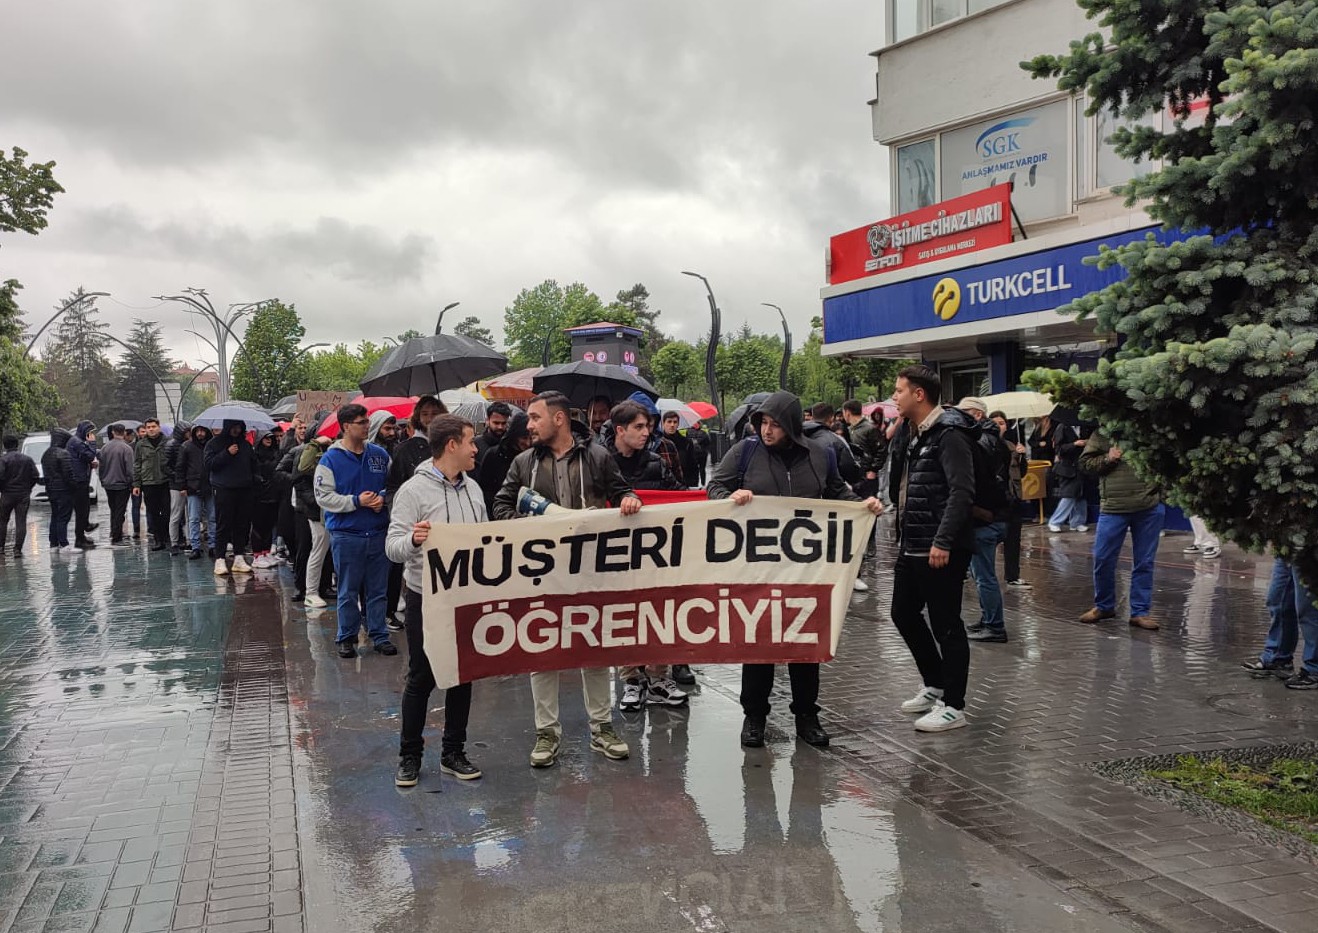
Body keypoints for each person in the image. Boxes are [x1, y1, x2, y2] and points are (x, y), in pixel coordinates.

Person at [707, 390, 883, 749]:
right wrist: (730, 498)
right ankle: (754, 716)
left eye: (774, 424)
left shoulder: (820, 453)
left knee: (805, 642)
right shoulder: (744, 453)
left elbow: (835, 491)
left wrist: (862, 505)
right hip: (757, 568)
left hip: (806, 568)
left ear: (790, 426)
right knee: (759, 643)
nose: (767, 431)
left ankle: (807, 715)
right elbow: (715, 486)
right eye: (763, 423)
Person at [493, 391, 637, 768]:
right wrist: (535, 526)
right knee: (542, 649)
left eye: (535, 417)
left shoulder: (599, 457)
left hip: (591, 569)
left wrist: (628, 502)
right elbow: (501, 506)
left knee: (594, 646)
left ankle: (602, 727)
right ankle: (546, 732)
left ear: (558, 419)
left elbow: (624, 494)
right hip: (542, 573)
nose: (529, 425)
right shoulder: (523, 462)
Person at [387, 414, 487, 787]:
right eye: (470, 441)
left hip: (467, 597)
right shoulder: (412, 492)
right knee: (423, 676)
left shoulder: (474, 490)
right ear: (452, 446)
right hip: (425, 599)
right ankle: (410, 756)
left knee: (463, 674)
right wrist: (413, 540)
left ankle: (453, 752)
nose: (476, 448)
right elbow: (392, 548)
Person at [887, 366, 977, 733]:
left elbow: (962, 491)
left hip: (939, 548)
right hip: (913, 543)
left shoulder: (949, 435)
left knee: (947, 625)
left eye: (899, 391)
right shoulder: (913, 435)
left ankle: (954, 705)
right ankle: (936, 683)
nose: (895, 396)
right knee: (902, 613)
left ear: (919, 394)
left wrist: (943, 540)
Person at [607, 400, 690, 711]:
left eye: (647, 426)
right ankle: (631, 679)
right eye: (639, 427)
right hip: (617, 556)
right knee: (624, 615)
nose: (647, 432)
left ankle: (657, 678)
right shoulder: (601, 463)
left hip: (655, 556)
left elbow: (678, 495)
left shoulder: (656, 461)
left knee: (659, 612)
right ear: (620, 430)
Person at [315, 402, 397, 658]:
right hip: (346, 534)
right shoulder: (330, 458)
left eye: (367, 421)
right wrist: (355, 501)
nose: (367, 426)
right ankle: (346, 636)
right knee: (348, 589)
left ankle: (379, 634)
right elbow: (323, 496)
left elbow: (394, 485)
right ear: (346, 426)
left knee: (378, 589)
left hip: (377, 532)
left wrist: (382, 498)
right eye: (361, 422)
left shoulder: (380, 455)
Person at [1079, 430, 1163, 631]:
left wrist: (1161, 492)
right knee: (1102, 558)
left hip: (1149, 506)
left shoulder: (1152, 430)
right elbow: (1085, 465)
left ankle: (1139, 612)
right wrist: (1109, 457)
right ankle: (1104, 606)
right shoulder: (1102, 433)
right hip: (1114, 508)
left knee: (1144, 561)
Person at [957, 398, 1012, 644]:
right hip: (990, 517)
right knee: (981, 574)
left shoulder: (981, 442)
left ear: (977, 415)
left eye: (965, 413)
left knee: (984, 575)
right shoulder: (992, 440)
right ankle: (988, 618)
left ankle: (994, 625)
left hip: (986, 519)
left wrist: (978, 510)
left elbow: (981, 482)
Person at [386, 396, 446, 623]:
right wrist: (401, 512)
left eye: (435, 413)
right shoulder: (405, 449)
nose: (430, 418)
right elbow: (393, 486)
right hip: (417, 527)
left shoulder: (449, 446)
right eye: (425, 414)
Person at [1242, 558, 1318, 689]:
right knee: (1277, 599)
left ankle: (1314, 668)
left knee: (1308, 608)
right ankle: (1278, 657)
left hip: (1309, 547)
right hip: (1287, 546)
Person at [290, 415, 334, 604]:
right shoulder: (306, 451)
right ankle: (310, 591)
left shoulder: (337, 450)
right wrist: (316, 501)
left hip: (335, 508)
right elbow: (300, 474)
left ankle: (323, 587)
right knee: (317, 548)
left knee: (331, 551)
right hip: (315, 510)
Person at [205, 419, 258, 575]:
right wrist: (227, 454)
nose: (236, 430)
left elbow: (254, 465)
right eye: (233, 427)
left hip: (244, 489)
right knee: (224, 524)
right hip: (224, 489)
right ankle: (220, 558)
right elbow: (209, 465)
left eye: (239, 427)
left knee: (242, 525)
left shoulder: (246, 445)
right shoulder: (214, 444)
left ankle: (239, 557)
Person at [990, 411, 1031, 589]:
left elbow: (1020, 473)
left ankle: (1012, 576)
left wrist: (1022, 457)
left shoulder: (1011, 445)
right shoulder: (986, 444)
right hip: (995, 500)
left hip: (1013, 498)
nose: (1000, 426)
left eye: (1003, 423)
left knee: (1014, 539)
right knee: (990, 538)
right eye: (996, 423)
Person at [476, 411, 530, 517]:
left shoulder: (535, 455)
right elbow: (486, 489)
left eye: (531, 438)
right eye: (524, 438)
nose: (528, 443)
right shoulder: (494, 455)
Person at [176, 425, 216, 560]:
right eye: (198, 431)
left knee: (212, 518)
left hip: (210, 485)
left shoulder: (212, 445)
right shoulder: (186, 446)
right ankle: (195, 547)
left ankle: (212, 545)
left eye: (202, 431)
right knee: (194, 518)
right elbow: (180, 466)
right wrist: (182, 486)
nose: (200, 434)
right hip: (193, 486)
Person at [133, 418, 172, 551]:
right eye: (148, 427)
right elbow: (137, 464)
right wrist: (136, 485)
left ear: (159, 427)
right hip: (148, 482)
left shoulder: (167, 442)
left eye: (153, 426)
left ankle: (166, 535)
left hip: (165, 481)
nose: (151, 429)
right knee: (153, 512)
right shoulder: (141, 445)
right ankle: (158, 539)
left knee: (167, 511)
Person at [0, 435, 42, 557]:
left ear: (4, 445)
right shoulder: (27, 459)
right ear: (17, 445)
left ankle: (1, 548)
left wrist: (3, 489)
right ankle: (17, 549)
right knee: (21, 521)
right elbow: (35, 475)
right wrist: (28, 488)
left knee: (2, 521)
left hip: (7, 494)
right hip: (23, 494)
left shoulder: (3, 460)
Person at [247, 429, 283, 567]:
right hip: (259, 495)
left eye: (270, 438)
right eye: (265, 438)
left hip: (273, 494)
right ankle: (257, 554)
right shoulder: (255, 455)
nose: (269, 440)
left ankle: (266, 552)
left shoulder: (276, 453)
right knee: (258, 525)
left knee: (269, 525)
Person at [803, 402, 861, 486]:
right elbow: (850, 470)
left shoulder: (797, 436)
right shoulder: (836, 441)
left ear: (813, 416)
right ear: (831, 418)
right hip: (830, 489)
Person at [97, 424, 135, 544]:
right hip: (122, 484)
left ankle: (114, 531)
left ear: (113, 432)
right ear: (124, 433)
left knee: (113, 508)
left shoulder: (104, 448)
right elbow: (129, 469)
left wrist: (103, 480)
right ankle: (116, 534)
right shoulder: (127, 449)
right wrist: (132, 482)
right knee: (120, 509)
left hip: (108, 483)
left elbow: (101, 467)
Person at [1046, 419, 1086, 532]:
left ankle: (1077, 521)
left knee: (1081, 495)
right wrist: (1074, 444)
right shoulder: (1062, 427)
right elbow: (1059, 449)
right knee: (1069, 495)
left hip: (1080, 466)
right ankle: (1055, 521)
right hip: (1067, 467)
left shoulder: (1084, 427)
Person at [41, 428, 76, 554]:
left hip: (51, 490)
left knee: (55, 516)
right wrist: (74, 487)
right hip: (64, 490)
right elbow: (68, 474)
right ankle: (64, 544)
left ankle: (53, 544)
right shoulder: (63, 454)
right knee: (63, 517)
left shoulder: (46, 454)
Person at [66, 420, 99, 549]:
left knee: (84, 509)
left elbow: (84, 459)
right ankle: (79, 539)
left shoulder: (76, 442)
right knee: (81, 510)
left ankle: (82, 534)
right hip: (79, 481)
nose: (91, 435)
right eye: (90, 432)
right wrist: (93, 443)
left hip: (81, 479)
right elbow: (90, 455)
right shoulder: (77, 442)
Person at [841, 400, 885, 496]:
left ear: (847, 412)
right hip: (853, 474)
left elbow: (881, 450)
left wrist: (873, 470)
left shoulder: (870, 429)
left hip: (867, 475)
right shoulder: (848, 429)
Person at [164, 421, 191, 554]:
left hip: (186, 483)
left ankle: (188, 540)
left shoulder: (185, 445)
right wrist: (178, 477)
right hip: (176, 485)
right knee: (177, 514)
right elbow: (166, 466)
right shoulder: (172, 445)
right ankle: (175, 542)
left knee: (187, 515)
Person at [660, 411, 699, 490]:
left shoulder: (686, 443)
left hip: (683, 485)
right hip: (664, 486)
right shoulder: (658, 443)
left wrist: (692, 484)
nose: (672, 425)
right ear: (663, 423)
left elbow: (693, 465)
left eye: (675, 422)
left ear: (678, 424)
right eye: (669, 422)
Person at [474, 402, 512, 466]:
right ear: (487, 421)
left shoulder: (511, 444)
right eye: (496, 423)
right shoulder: (476, 444)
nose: (500, 427)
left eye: (503, 423)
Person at [686, 420, 710, 487]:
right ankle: (703, 484)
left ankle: (695, 483)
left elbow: (687, 441)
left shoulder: (688, 432)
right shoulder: (704, 433)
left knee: (694, 469)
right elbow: (708, 442)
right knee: (702, 469)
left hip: (693, 453)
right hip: (702, 453)